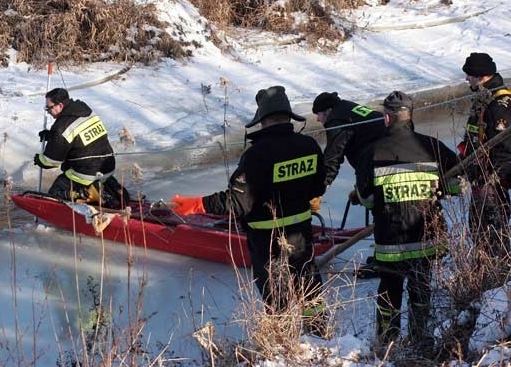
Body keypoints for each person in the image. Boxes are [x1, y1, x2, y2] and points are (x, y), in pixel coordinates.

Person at [171, 86, 327, 327]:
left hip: (269, 243)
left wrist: (199, 204)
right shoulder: (309, 146)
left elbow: (238, 202)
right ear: (288, 117)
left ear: (263, 121)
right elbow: (317, 188)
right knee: (309, 291)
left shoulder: (257, 155)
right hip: (302, 239)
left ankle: (285, 347)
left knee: (277, 300)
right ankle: (318, 335)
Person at [355, 91, 459, 349]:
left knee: (389, 290)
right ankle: (420, 339)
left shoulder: (372, 153)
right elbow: (458, 184)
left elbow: (367, 199)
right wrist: (438, 188)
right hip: (427, 240)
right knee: (421, 288)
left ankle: (386, 343)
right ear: (410, 115)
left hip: (391, 243)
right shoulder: (433, 146)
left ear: (387, 119)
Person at [33, 88, 128, 207]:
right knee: (98, 173)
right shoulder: (85, 110)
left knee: (55, 193)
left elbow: (51, 162)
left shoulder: (61, 127)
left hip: (86, 173)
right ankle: (113, 189)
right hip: (107, 166)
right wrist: (52, 137)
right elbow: (78, 138)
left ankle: (89, 194)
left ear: (61, 105)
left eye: (49, 108)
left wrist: (40, 160)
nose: (48, 111)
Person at [457, 52, 511, 255]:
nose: (466, 79)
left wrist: (492, 178)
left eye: (469, 75)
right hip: (480, 178)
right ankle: (484, 273)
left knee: (492, 233)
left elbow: (505, 149)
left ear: (481, 76)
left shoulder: (499, 104)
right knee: (478, 228)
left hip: (491, 182)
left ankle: (497, 275)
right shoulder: (483, 98)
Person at [312, 92, 385, 189]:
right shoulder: (346, 107)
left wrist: (322, 186)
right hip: (392, 153)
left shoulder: (337, 120)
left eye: (318, 114)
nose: (317, 119)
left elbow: (333, 155)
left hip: (379, 164)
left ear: (328, 111)